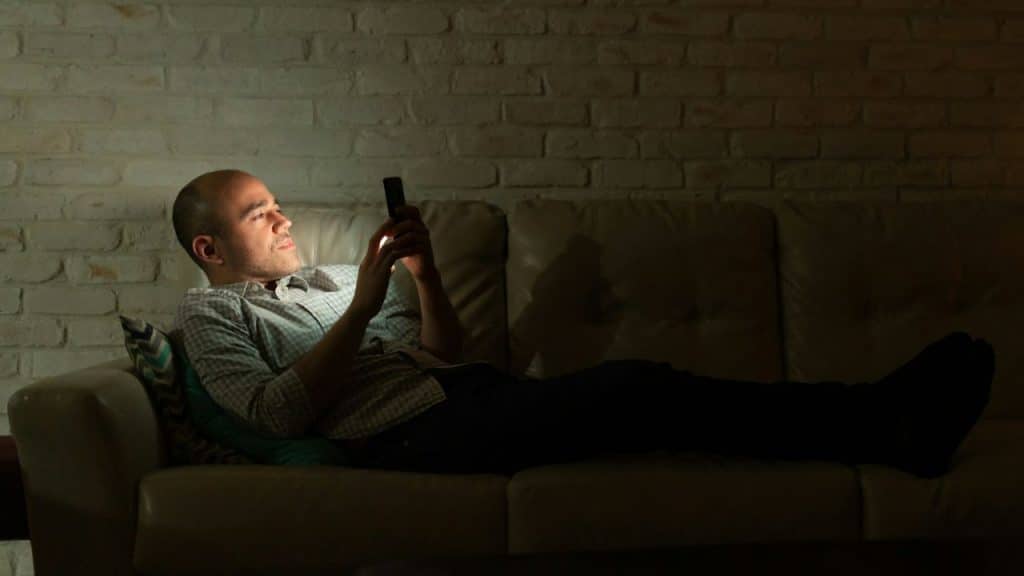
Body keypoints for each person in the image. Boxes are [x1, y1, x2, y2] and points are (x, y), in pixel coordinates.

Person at [173, 169, 994, 479]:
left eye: (277, 204)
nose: (282, 219)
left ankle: (882, 421)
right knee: (638, 388)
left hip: (465, 396)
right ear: (209, 246)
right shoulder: (211, 315)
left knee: (646, 397)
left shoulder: (330, 278)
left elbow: (439, 350)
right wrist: (361, 308)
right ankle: (881, 421)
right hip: (405, 439)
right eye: (258, 212)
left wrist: (424, 278)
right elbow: (277, 414)